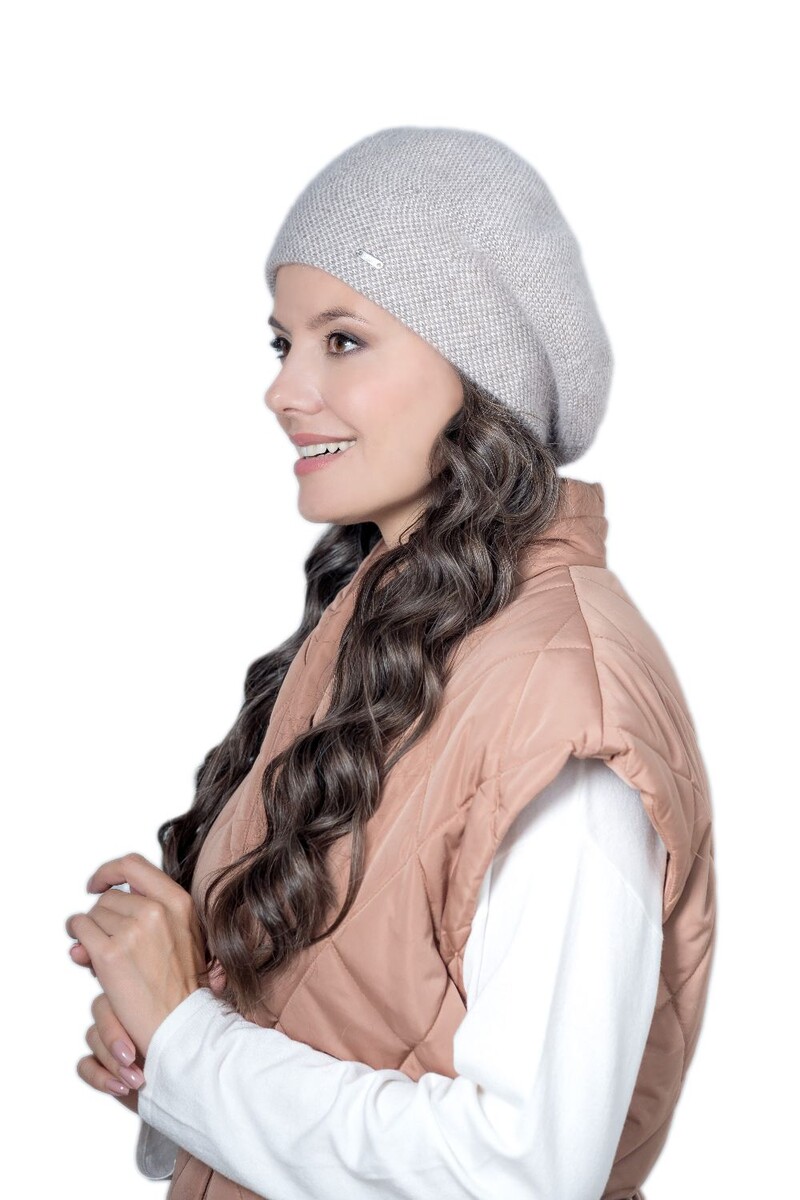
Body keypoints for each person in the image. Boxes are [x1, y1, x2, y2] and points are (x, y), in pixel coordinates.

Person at [66, 126, 716, 1200]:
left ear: (480, 372)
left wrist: (188, 1043)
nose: (285, 391)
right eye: (283, 343)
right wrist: (167, 1065)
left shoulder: (565, 704)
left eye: (344, 340)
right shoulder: (384, 628)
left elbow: (521, 1174)